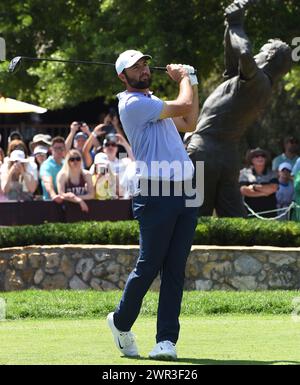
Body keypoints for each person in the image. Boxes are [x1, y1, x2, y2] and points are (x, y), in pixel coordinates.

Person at [106, 49, 199, 360]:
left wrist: (194, 81)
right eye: (135, 67)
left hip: (186, 190)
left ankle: (166, 341)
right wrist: (185, 78)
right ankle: (120, 322)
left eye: (145, 63)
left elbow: (190, 119)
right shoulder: (133, 104)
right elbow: (184, 104)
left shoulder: (154, 104)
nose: (143, 69)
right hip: (156, 192)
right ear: (123, 76)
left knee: (175, 269)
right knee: (149, 265)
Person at [186, 0, 292, 217]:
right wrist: (230, 24)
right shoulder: (256, 85)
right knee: (232, 217)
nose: (256, 55)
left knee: (193, 218)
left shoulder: (258, 80)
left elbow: (243, 53)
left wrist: (236, 23)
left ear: (269, 57)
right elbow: (233, 60)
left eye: (261, 52)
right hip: (225, 155)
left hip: (207, 150)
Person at [239, 148, 279, 218]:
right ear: (251, 160)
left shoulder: (272, 173)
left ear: (266, 159)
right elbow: (244, 190)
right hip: (250, 214)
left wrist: (254, 187)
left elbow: (273, 188)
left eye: (263, 156)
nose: (260, 157)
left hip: (270, 214)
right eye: (256, 156)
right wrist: (265, 193)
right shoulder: (244, 173)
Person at [40, 136, 66, 203]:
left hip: (67, 202)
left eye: (61, 148)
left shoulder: (66, 164)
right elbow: (47, 181)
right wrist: (53, 195)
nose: (59, 151)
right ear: (51, 149)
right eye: (56, 148)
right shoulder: (46, 165)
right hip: (50, 203)